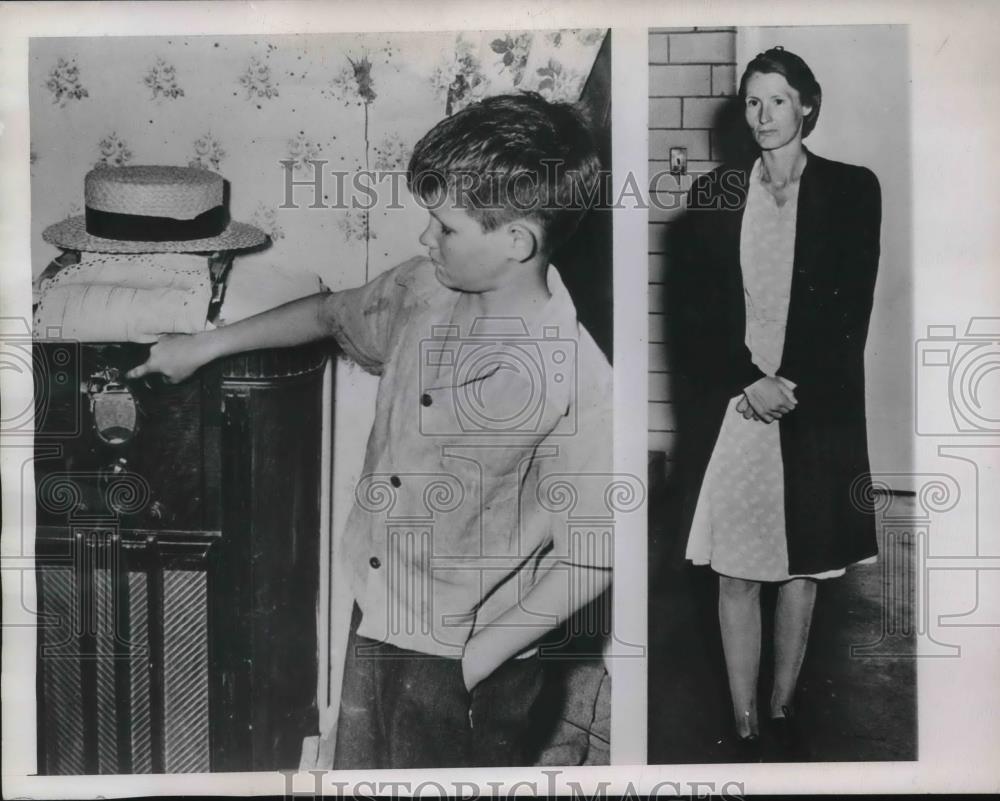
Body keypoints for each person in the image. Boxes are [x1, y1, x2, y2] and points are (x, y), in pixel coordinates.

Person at [127, 92, 612, 768]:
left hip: (468, 653)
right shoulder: (421, 290)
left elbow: (588, 557)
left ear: (517, 241)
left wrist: (475, 661)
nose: (425, 239)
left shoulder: (578, 380)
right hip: (377, 610)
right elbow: (328, 313)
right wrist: (203, 346)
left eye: (444, 226)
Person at [672, 47, 881, 761]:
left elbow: (851, 308)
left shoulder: (854, 190)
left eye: (778, 101)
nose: (763, 116)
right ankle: (744, 717)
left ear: (807, 108)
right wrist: (748, 379)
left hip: (811, 404)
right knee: (735, 567)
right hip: (738, 403)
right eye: (752, 103)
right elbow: (695, 314)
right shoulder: (715, 196)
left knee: (800, 566)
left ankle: (784, 702)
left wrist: (792, 384)